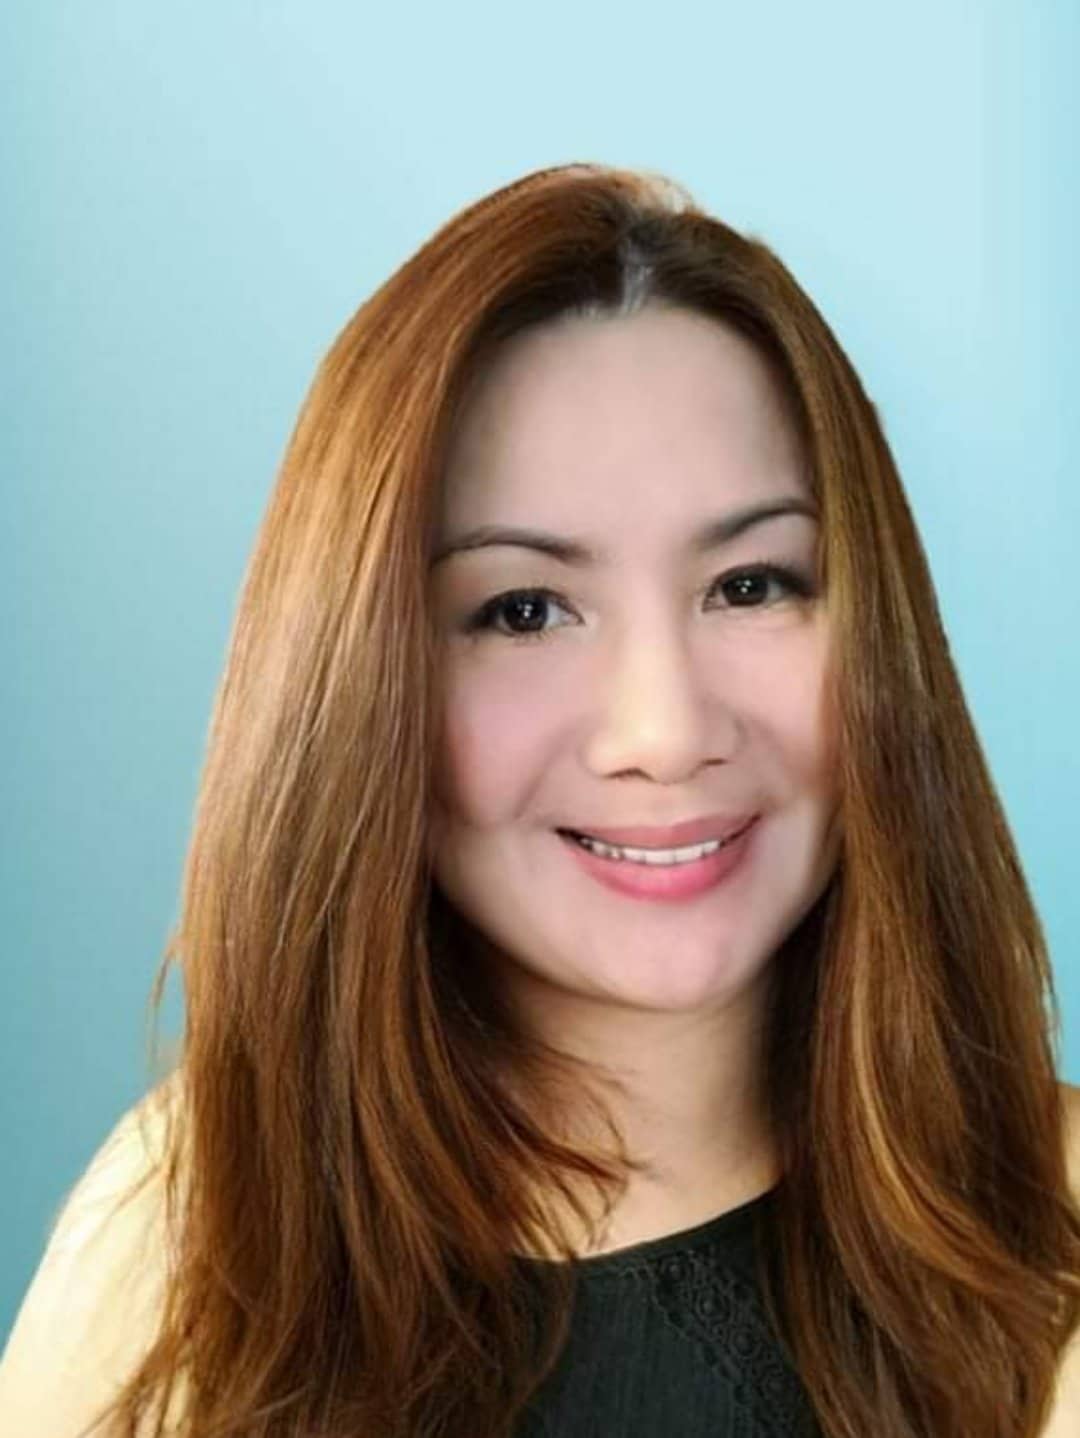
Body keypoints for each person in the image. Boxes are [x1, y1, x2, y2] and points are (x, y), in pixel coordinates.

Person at [2, 162, 1079, 1438]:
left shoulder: (1059, 1243)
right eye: (522, 610)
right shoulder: (186, 1232)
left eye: (750, 585)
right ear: (360, 687)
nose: (664, 734)